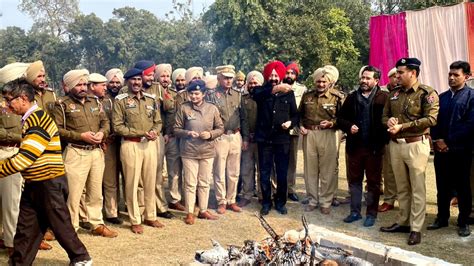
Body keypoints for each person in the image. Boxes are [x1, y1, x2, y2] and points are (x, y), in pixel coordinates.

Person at [0, 80, 91, 265]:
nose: (6, 105)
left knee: (60, 225)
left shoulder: (37, 120)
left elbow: (24, 159)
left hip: (48, 182)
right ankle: (19, 262)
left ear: (23, 98)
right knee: (26, 227)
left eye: (9, 100)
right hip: (36, 181)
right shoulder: (32, 118)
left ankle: (81, 258)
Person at [380, 57, 439, 245]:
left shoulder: (427, 93)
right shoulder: (394, 93)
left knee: (418, 188)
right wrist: (388, 122)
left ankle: (416, 227)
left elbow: (431, 119)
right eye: (396, 72)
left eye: (400, 72)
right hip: (396, 145)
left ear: (412, 73)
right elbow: (385, 116)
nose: (396, 76)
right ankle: (403, 221)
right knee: (402, 187)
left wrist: (403, 127)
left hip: (416, 144)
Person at [52, 70, 117, 238]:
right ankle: (70, 228)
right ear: (69, 86)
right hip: (75, 151)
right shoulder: (62, 104)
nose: (82, 88)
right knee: (73, 195)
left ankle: (96, 223)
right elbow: (57, 130)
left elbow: (105, 122)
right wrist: (81, 136)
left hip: (95, 152)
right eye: (78, 85)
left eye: (84, 84)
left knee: (95, 192)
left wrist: (102, 133)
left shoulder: (94, 101)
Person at [112, 67, 164, 234]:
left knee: (150, 181)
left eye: (139, 80)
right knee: (132, 183)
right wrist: (141, 133)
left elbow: (158, 121)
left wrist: (155, 131)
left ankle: (150, 215)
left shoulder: (150, 99)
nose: (136, 83)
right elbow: (117, 126)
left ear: (142, 81)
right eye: (133, 80)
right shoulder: (120, 100)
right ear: (127, 82)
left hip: (149, 145)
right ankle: (135, 219)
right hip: (130, 144)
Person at [337, 66, 388, 227]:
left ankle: (371, 214)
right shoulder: (352, 97)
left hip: (374, 149)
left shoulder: (384, 97)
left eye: (368, 78)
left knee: (373, 182)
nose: (364, 81)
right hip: (355, 148)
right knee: (354, 181)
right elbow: (340, 119)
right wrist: (349, 126)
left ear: (376, 80)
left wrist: (382, 139)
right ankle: (355, 212)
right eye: (363, 78)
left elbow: (389, 121)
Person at [429, 61, 474, 237]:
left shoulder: (471, 97)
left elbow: (470, 125)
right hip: (441, 151)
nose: (452, 78)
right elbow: (434, 122)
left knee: (463, 186)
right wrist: (438, 140)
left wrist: (449, 141)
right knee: (442, 185)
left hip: (461, 150)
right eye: (450, 74)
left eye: (456, 75)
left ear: (467, 76)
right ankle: (442, 218)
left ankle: (463, 221)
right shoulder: (442, 97)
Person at [174, 79, 224, 224]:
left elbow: (220, 128)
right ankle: (190, 212)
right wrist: (188, 133)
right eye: (191, 94)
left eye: (197, 93)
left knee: (204, 182)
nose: (194, 97)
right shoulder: (184, 108)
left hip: (207, 151)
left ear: (203, 94)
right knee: (190, 183)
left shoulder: (212, 108)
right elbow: (176, 129)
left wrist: (210, 135)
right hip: (189, 151)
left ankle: (202, 210)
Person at [251, 61, 298, 215]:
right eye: (270, 75)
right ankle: (266, 202)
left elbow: (296, 115)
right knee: (264, 172)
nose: (273, 77)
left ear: (281, 76)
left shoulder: (289, 93)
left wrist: (290, 123)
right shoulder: (261, 90)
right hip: (264, 140)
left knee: (282, 172)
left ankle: (280, 202)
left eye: (276, 75)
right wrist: (277, 88)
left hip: (282, 140)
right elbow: (257, 94)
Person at [299, 65, 344, 215]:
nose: (321, 84)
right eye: (318, 81)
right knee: (310, 169)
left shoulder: (337, 97)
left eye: (324, 82)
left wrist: (333, 123)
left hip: (328, 134)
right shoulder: (307, 96)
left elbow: (343, 118)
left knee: (327, 170)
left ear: (330, 82)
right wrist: (300, 126)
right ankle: (312, 200)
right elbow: (299, 115)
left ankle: (326, 201)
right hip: (310, 134)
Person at [210, 65, 249, 214]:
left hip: (235, 136)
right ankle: (221, 201)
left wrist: (245, 138)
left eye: (230, 78)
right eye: (225, 78)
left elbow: (243, 118)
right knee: (219, 169)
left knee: (234, 171)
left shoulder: (238, 95)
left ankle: (231, 200)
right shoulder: (212, 95)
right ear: (219, 78)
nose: (228, 80)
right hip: (220, 136)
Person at [156, 64, 186, 212]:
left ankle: (175, 199)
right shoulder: (151, 92)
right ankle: (158, 201)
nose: (165, 79)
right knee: (156, 172)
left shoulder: (175, 93)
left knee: (174, 170)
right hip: (157, 136)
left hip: (172, 136)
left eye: (168, 76)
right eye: (162, 76)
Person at [101, 68, 125, 224]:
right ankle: (111, 212)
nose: (115, 85)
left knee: (129, 177)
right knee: (110, 179)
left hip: (125, 141)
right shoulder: (102, 100)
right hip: (109, 143)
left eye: (118, 82)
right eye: (112, 82)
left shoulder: (124, 98)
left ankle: (129, 207)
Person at [238, 71, 263, 207]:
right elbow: (243, 119)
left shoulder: (266, 98)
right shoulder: (243, 98)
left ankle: (262, 194)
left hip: (262, 139)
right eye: (251, 83)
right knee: (247, 168)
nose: (253, 85)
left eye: (256, 83)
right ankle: (247, 194)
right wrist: (246, 137)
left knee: (262, 168)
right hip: (247, 138)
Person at [283, 62, 307, 202]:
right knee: (278, 161)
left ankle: (290, 189)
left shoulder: (301, 89)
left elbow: (303, 110)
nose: (289, 75)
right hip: (279, 130)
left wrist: (302, 125)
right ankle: (279, 188)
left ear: (296, 75)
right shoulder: (279, 86)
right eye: (287, 73)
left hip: (293, 130)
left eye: (292, 73)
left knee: (292, 161)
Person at [378, 67, 398, 212]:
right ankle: (389, 199)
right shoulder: (383, 94)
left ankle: (406, 201)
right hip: (388, 137)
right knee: (389, 170)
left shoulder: (415, 92)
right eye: (394, 76)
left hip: (408, 137)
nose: (397, 78)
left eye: (400, 75)